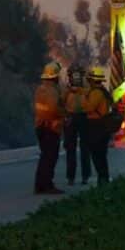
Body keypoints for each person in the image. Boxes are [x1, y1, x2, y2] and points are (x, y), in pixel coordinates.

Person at [34, 62, 65, 194]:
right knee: (50, 157)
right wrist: (64, 114)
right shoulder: (52, 91)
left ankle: (40, 185)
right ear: (55, 77)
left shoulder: (40, 89)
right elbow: (53, 109)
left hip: (40, 126)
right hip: (51, 128)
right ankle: (47, 185)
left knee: (44, 157)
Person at [62, 65, 91, 186]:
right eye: (74, 76)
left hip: (84, 118)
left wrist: (78, 90)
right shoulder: (66, 89)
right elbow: (60, 102)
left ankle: (85, 176)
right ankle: (71, 177)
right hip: (70, 118)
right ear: (70, 77)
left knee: (85, 148)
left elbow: (91, 98)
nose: (76, 78)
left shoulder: (87, 88)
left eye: (78, 75)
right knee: (70, 149)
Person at [82, 66, 112, 184]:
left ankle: (102, 179)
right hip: (102, 126)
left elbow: (88, 108)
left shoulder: (96, 93)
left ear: (92, 80)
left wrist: (83, 99)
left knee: (97, 154)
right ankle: (103, 178)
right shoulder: (103, 91)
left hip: (96, 127)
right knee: (101, 155)